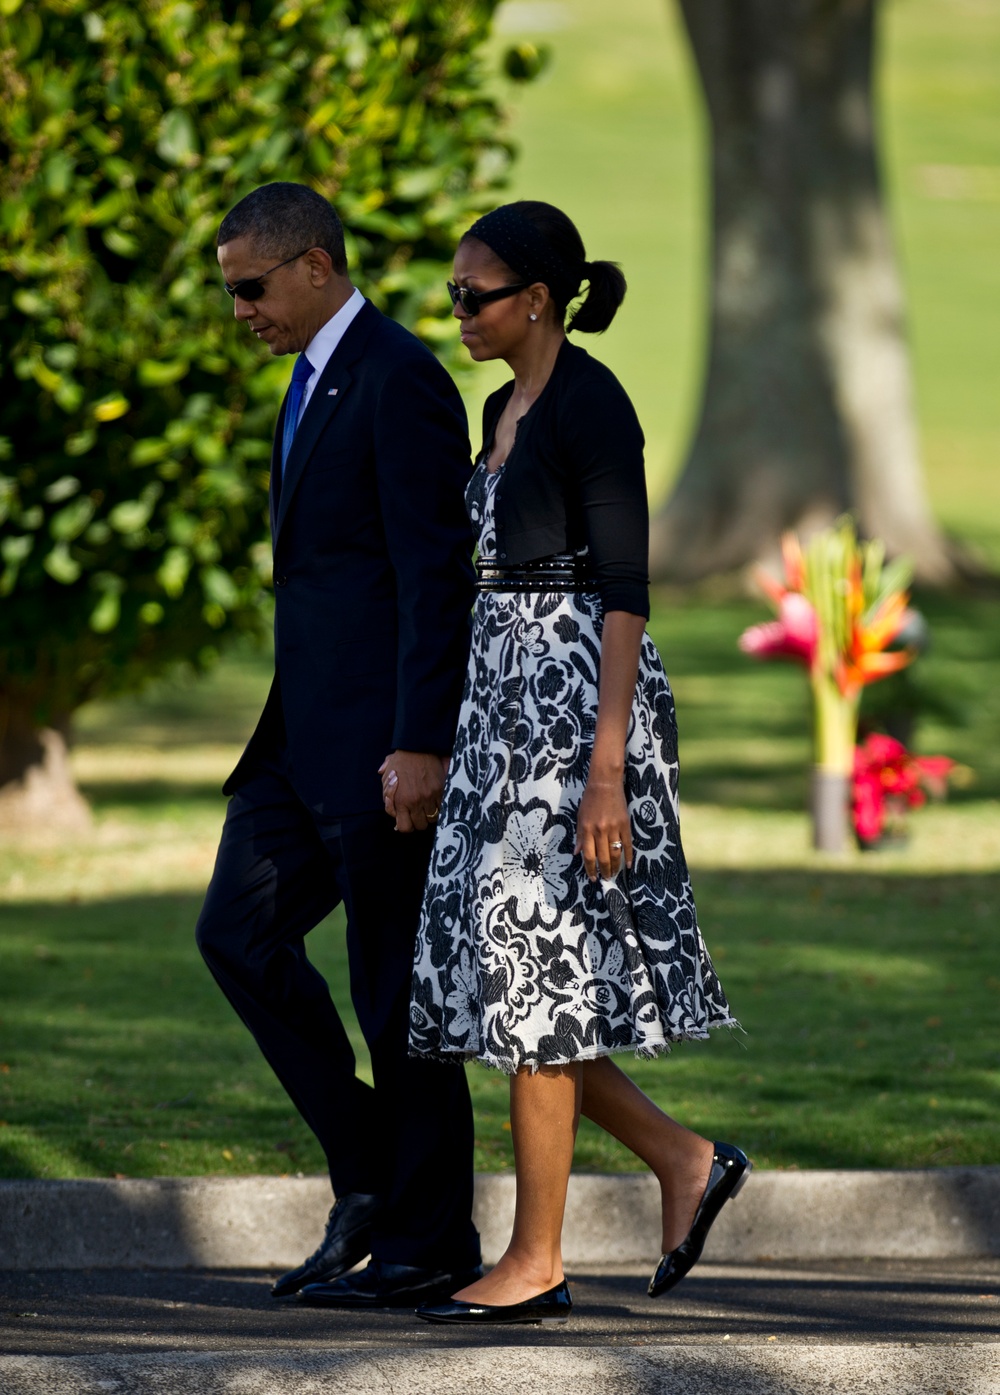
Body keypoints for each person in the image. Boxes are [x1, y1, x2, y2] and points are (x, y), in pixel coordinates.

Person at [400, 202, 749, 1327]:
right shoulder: (500, 405)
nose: (457, 313)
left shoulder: (594, 406)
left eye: (475, 295)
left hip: (574, 721)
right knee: (509, 985)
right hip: (499, 714)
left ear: (537, 297)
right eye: (453, 294)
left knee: (537, 978)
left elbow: (623, 596)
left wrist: (606, 774)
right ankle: (685, 1161)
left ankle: (536, 1261)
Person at [196, 182, 483, 1310]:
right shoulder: (310, 380)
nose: (241, 313)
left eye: (251, 289)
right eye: (230, 293)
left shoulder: (401, 378)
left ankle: (431, 1244)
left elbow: (431, 578)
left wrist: (421, 743)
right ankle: (371, 1173)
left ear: (315, 266)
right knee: (236, 934)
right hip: (294, 740)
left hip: (380, 753)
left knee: (391, 994)